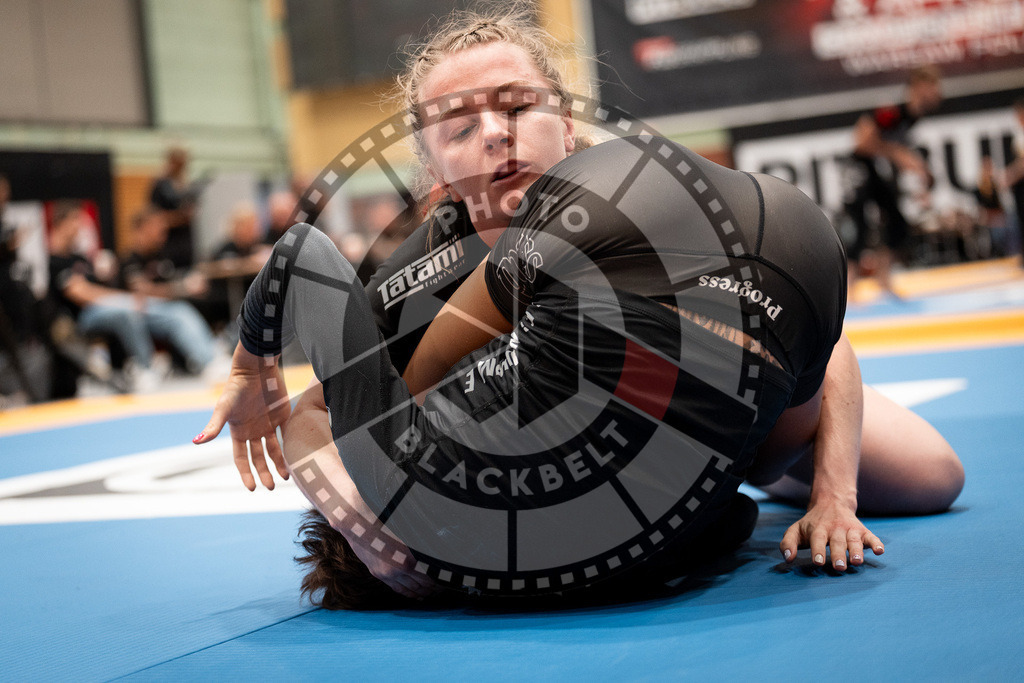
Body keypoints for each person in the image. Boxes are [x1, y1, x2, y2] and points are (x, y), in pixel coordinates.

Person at [195, 7, 963, 608]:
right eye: (461, 128)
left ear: (565, 122)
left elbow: (821, 344)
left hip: (750, 409)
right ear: (433, 171)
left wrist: (833, 497)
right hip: (621, 448)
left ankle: (763, 473)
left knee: (932, 477)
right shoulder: (413, 279)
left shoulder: (641, 200)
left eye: (519, 106)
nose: (496, 133)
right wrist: (367, 524)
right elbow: (330, 408)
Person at [49, 202, 215, 391]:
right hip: (84, 318)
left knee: (176, 310)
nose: (80, 226)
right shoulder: (54, 261)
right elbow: (81, 294)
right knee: (128, 311)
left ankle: (210, 359)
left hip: (112, 306)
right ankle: (145, 368)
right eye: (75, 220)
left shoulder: (80, 258)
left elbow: (96, 286)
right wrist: (123, 300)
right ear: (60, 223)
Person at [844, 66, 943, 299]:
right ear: (919, 87)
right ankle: (849, 286)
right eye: (933, 88)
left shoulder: (914, 117)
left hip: (878, 166)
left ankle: (883, 278)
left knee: (896, 221)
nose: (938, 93)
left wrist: (918, 169)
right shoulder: (893, 112)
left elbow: (900, 151)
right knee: (859, 223)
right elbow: (861, 140)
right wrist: (897, 155)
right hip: (860, 165)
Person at [150, 147, 198, 268]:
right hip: (170, 243)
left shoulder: (185, 184)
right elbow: (155, 216)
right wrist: (179, 217)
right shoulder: (160, 185)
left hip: (185, 241)